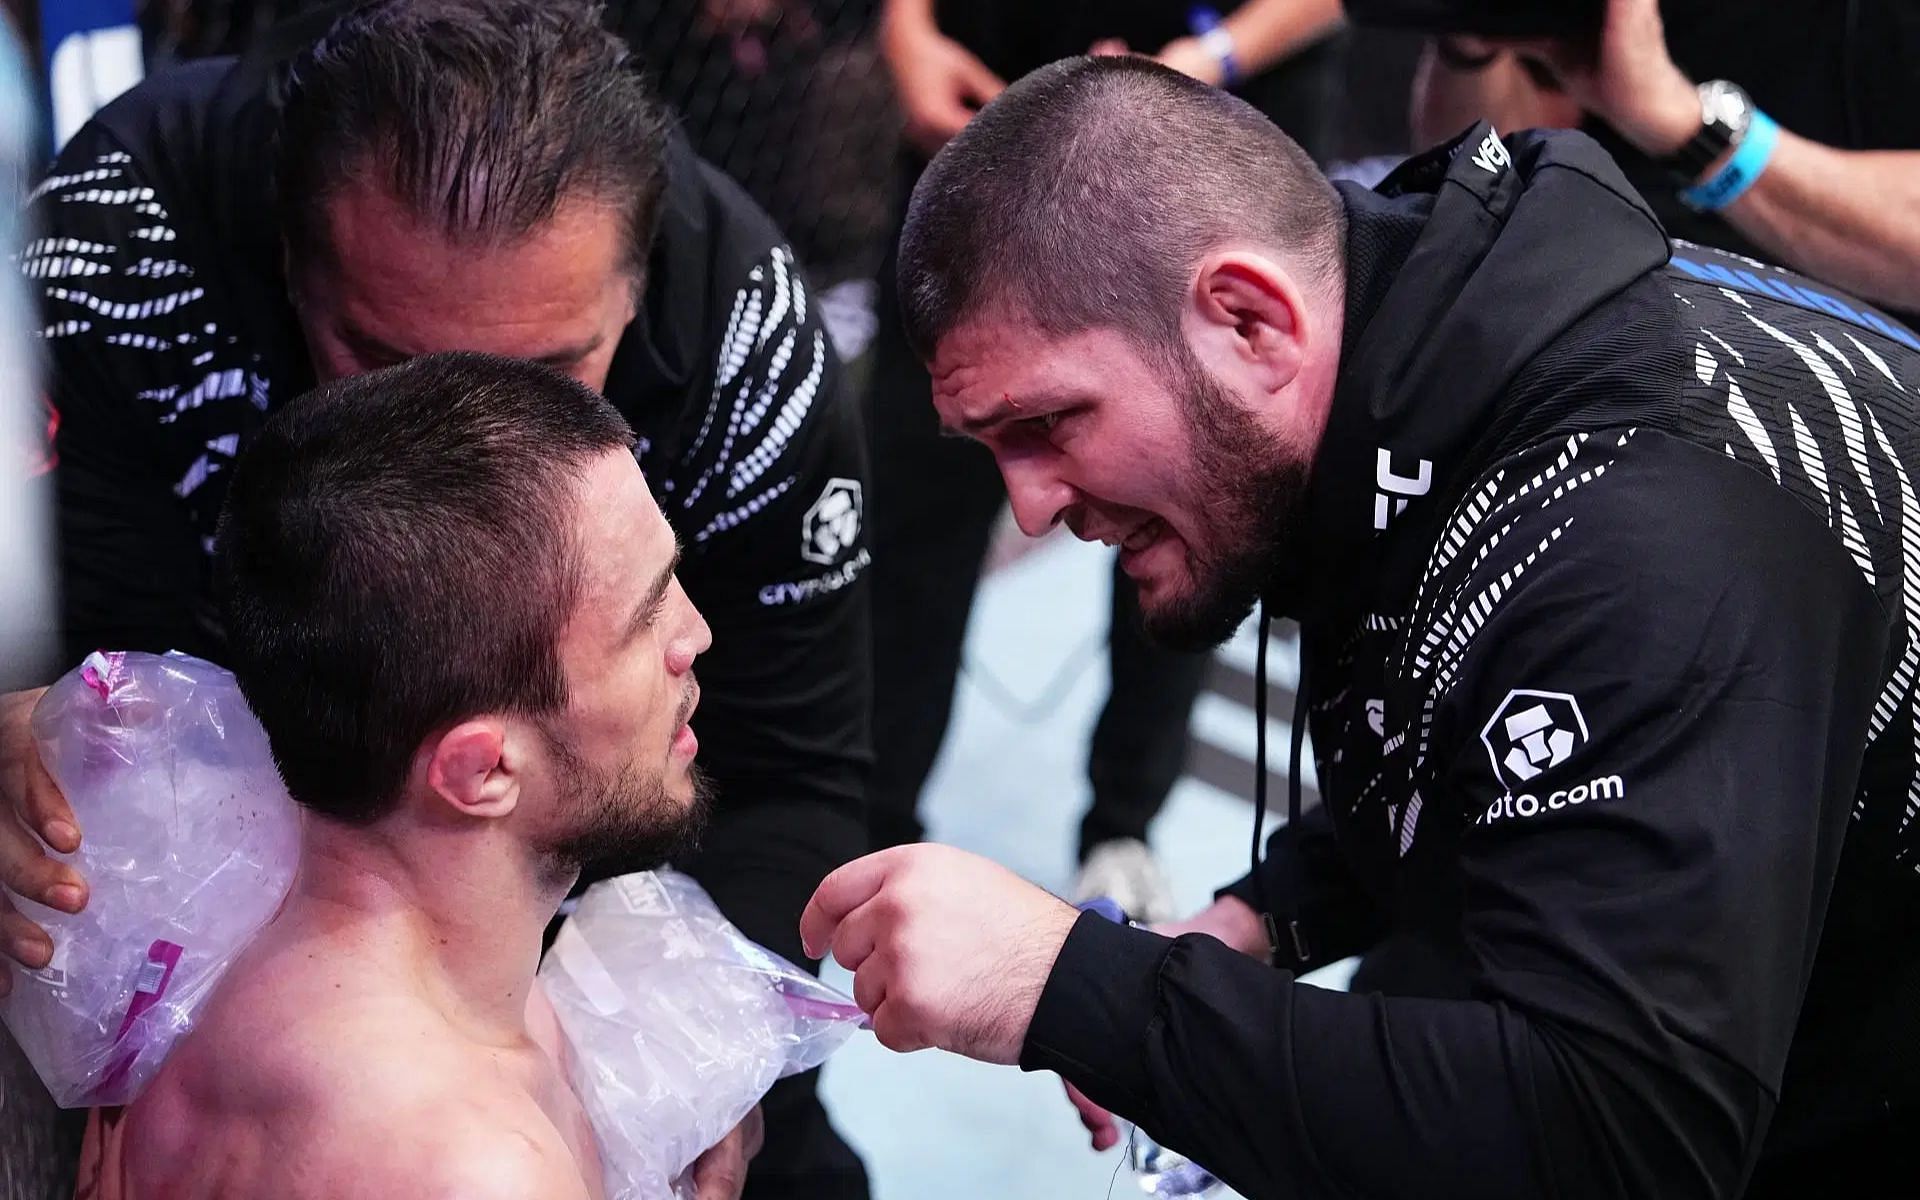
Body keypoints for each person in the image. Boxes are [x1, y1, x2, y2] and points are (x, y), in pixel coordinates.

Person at [803, 55, 1920, 1198]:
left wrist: (1063, 984)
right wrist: (1262, 914)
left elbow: (1626, 1140)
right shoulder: (1439, 335)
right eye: (993, 447)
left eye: (1048, 422)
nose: (1030, 506)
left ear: (1248, 319)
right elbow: (1488, 719)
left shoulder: (1632, 537)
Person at [0, 3, 872, 1196]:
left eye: (552, 379)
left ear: (638, 291)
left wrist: (680, 1061)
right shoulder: (127, 243)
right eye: (390, 363)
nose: (473, 444)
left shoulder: (743, 348)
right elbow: (65, 645)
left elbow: (795, 775)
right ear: (289, 264)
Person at [73, 352, 742, 1200]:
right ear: (481, 769)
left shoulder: (209, 968)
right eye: (645, 620)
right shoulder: (473, 1170)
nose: (698, 635)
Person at [868, 0, 1346, 920]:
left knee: (1185, 508)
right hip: (988, 120)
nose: (1039, 503)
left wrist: (1203, 67)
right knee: (921, 494)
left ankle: (1123, 826)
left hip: (1209, 127)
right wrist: (907, 31)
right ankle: (874, 817)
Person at [1409, 0, 1920, 314]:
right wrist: (1472, 44)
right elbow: (1489, 167)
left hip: (1858, 385)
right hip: (1609, 317)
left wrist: (1692, 130)